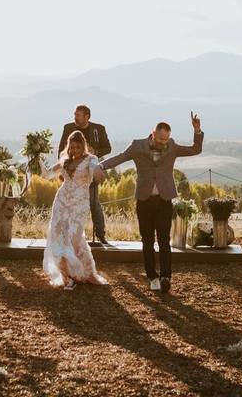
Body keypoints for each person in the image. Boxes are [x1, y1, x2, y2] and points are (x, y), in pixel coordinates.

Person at [101, 113, 203, 295]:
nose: (164, 143)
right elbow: (120, 157)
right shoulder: (137, 146)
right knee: (147, 241)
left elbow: (195, 150)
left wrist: (197, 131)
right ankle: (152, 277)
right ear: (153, 134)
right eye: (161, 139)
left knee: (164, 240)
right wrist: (101, 166)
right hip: (144, 200)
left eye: (166, 139)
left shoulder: (171, 146)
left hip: (165, 200)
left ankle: (166, 277)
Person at [41, 131, 108, 289]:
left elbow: (95, 170)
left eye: (78, 147)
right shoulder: (64, 160)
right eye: (72, 147)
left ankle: (84, 272)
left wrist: (98, 172)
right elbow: (47, 175)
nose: (75, 150)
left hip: (79, 204)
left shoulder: (91, 159)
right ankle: (67, 276)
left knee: (74, 236)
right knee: (58, 236)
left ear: (83, 146)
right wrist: (37, 158)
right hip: (61, 202)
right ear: (68, 147)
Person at [58, 105, 112, 245]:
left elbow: (108, 148)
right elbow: (61, 150)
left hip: (89, 171)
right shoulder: (68, 128)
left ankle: (100, 235)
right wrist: (63, 169)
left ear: (87, 116)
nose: (75, 117)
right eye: (75, 114)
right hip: (72, 172)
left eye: (78, 115)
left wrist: (95, 153)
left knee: (94, 203)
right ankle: (67, 235)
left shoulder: (98, 129)